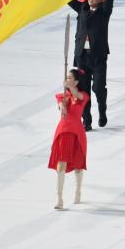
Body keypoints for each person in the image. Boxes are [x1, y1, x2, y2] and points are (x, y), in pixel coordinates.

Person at [68, 0, 113, 131]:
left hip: (98, 57)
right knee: (83, 90)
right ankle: (86, 120)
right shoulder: (82, 8)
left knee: (98, 88)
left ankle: (102, 111)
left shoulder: (104, 11)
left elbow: (110, 1)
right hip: (82, 57)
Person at [49, 68, 88, 209]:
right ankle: (59, 199)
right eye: (66, 77)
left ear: (76, 82)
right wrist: (62, 106)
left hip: (77, 133)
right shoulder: (63, 96)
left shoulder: (83, 96)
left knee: (78, 165)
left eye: (70, 78)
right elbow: (60, 103)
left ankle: (78, 191)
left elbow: (78, 95)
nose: (67, 79)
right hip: (64, 132)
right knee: (61, 163)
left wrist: (70, 88)